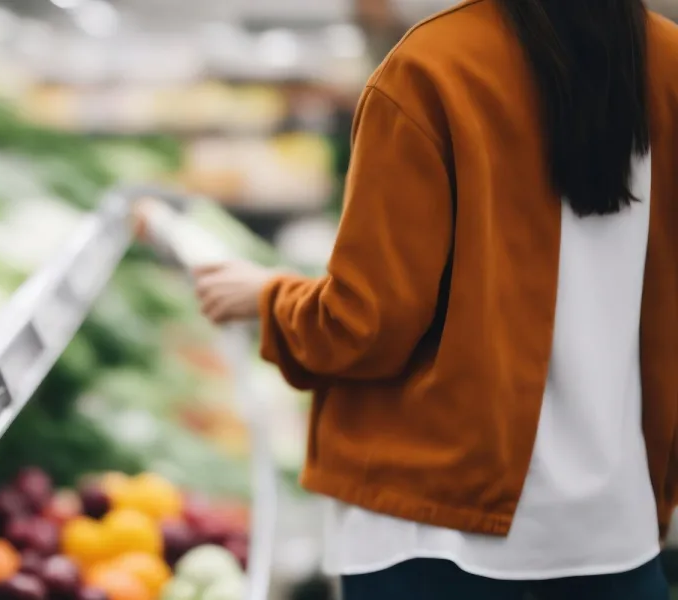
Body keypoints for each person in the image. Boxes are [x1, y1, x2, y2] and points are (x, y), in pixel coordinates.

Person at [191, 1, 678, 598]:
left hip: (434, 529)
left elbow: (366, 321)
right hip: (612, 524)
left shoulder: (432, 66)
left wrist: (268, 298)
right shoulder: (668, 60)